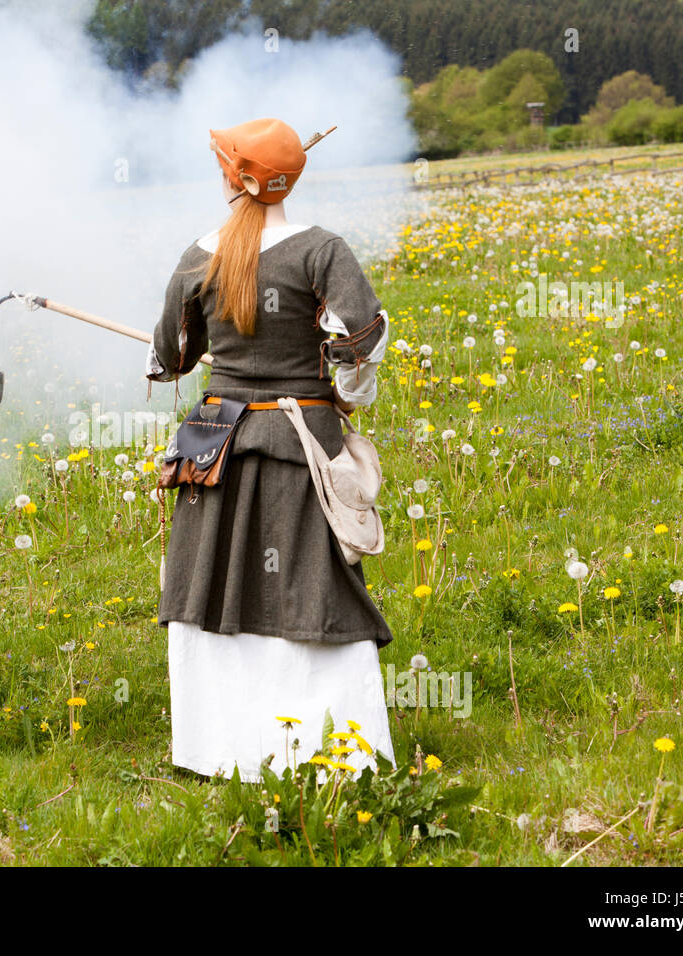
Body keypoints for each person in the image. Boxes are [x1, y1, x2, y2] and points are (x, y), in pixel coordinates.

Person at [146, 117, 395, 783]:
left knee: (208, 586)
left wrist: (184, 352)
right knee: (306, 585)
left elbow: (170, 356)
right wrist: (347, 387)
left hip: (214, 433)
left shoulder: (199, 253)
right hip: (299, 429)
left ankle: (216, 750)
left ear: (233, 177)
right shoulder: (323, 248)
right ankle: (324, 755)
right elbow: (364, 334)